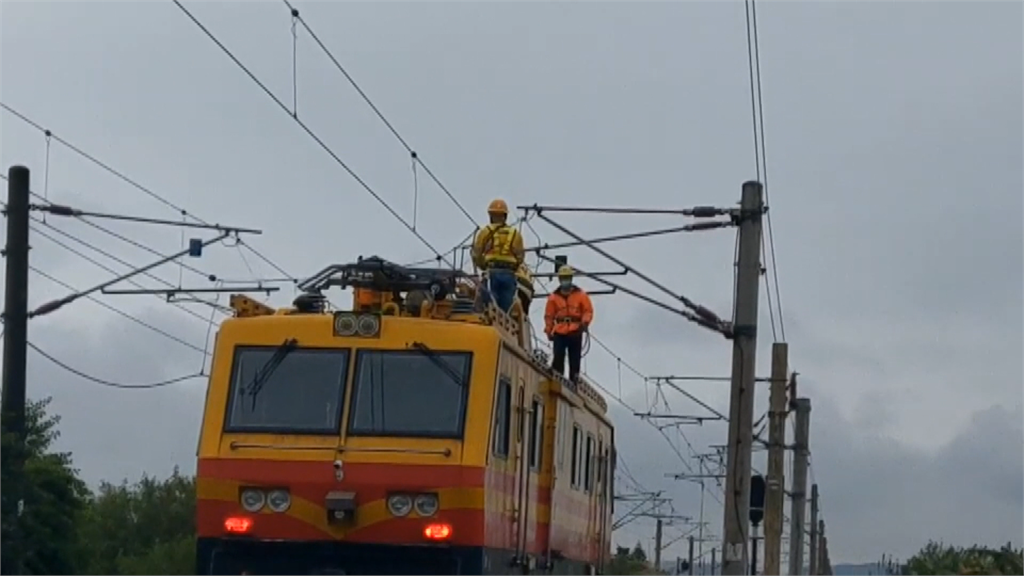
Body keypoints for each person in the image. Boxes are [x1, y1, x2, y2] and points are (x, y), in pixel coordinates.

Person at [471, 198, 524, 313]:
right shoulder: (515, 234)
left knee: (491, 304)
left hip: (492, 273)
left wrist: (482, 265)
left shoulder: (485, 232)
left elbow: (477, 253)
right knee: (506, 307)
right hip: (509, 275)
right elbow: (520, 257)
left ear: (490, 215)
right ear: (505, 216)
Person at [543, 265, 593, 383]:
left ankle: (574, 381)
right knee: (558, 357)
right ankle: (557, 378)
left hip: (576, 330)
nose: (566, 280)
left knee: (574, 359)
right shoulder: (553, 298)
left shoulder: (581, 295)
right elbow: (549, 316)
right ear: (560, 279)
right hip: (560, 330)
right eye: (563, 278)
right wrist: (549, 330)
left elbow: (588, 310)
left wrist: (585, 322)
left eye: (568, 277)